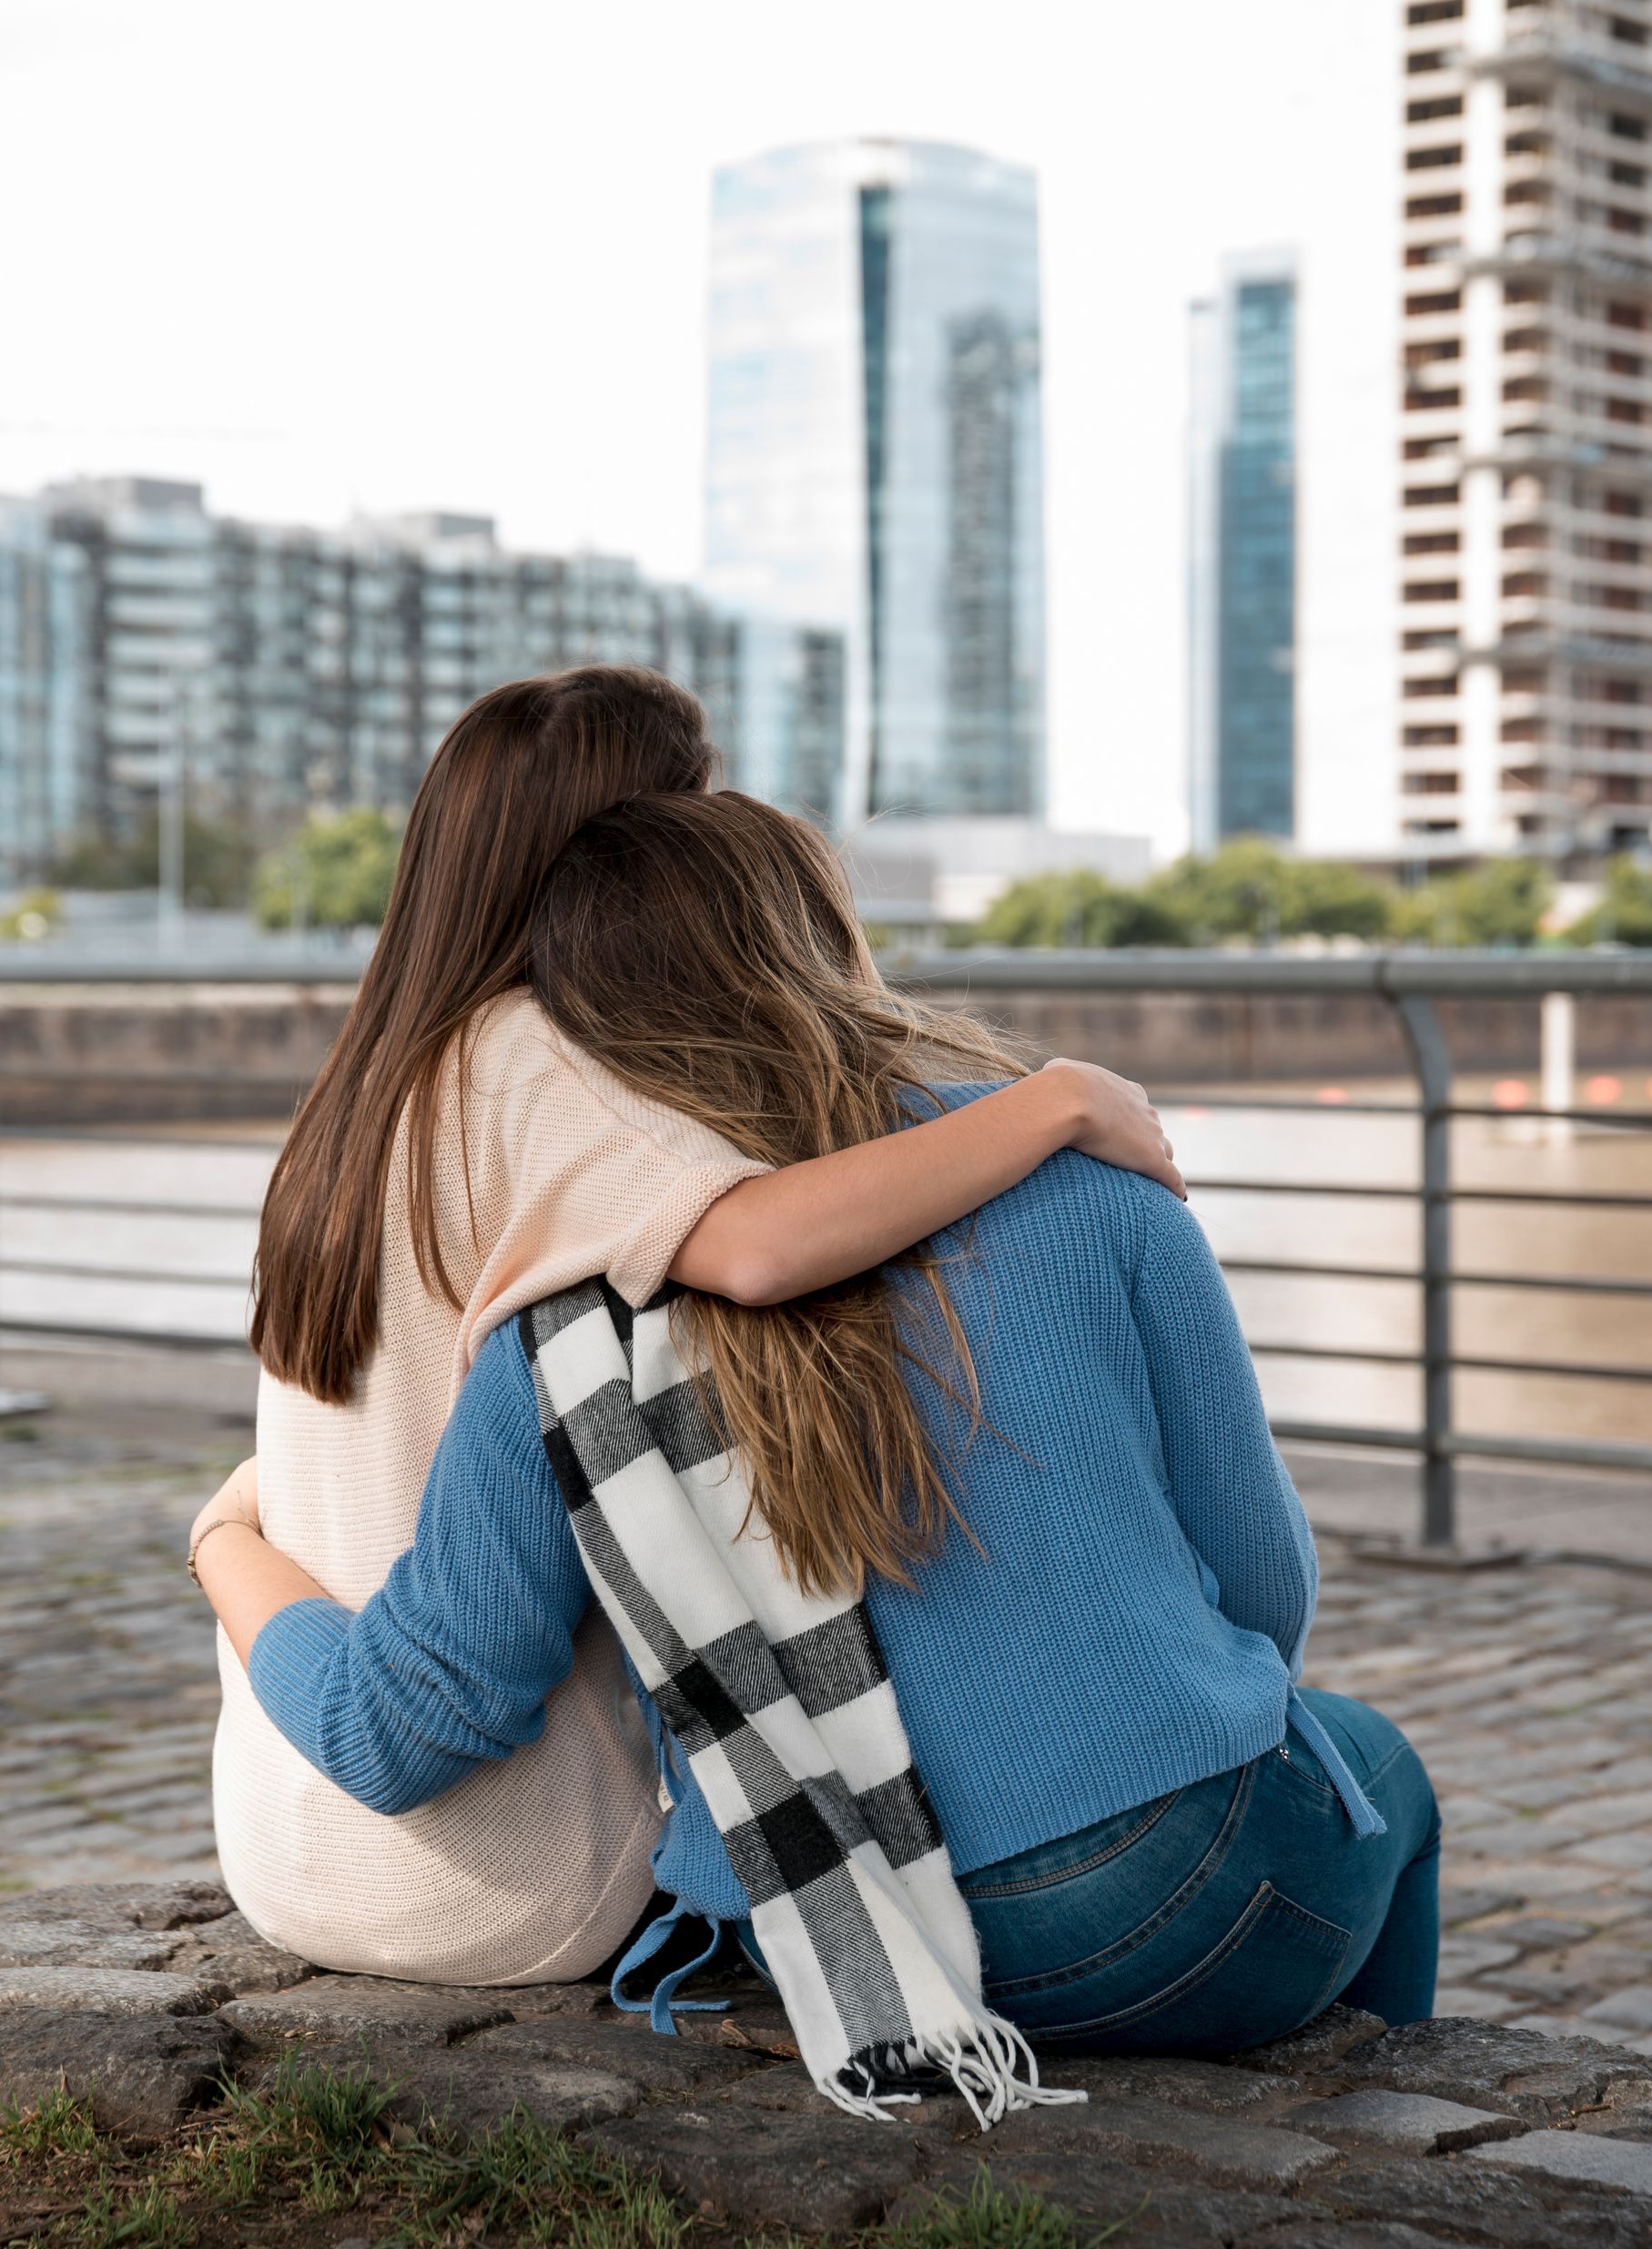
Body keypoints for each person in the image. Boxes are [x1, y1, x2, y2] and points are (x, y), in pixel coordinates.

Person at [204, 671, 1181, 1988]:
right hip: (507, 1870)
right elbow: (758, 1244)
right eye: (700, 801)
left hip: (290, 1842)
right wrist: (1055, 1105)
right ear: (633, 849)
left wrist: (219, 1535)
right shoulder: (530, 1062)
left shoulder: (363, 1089)